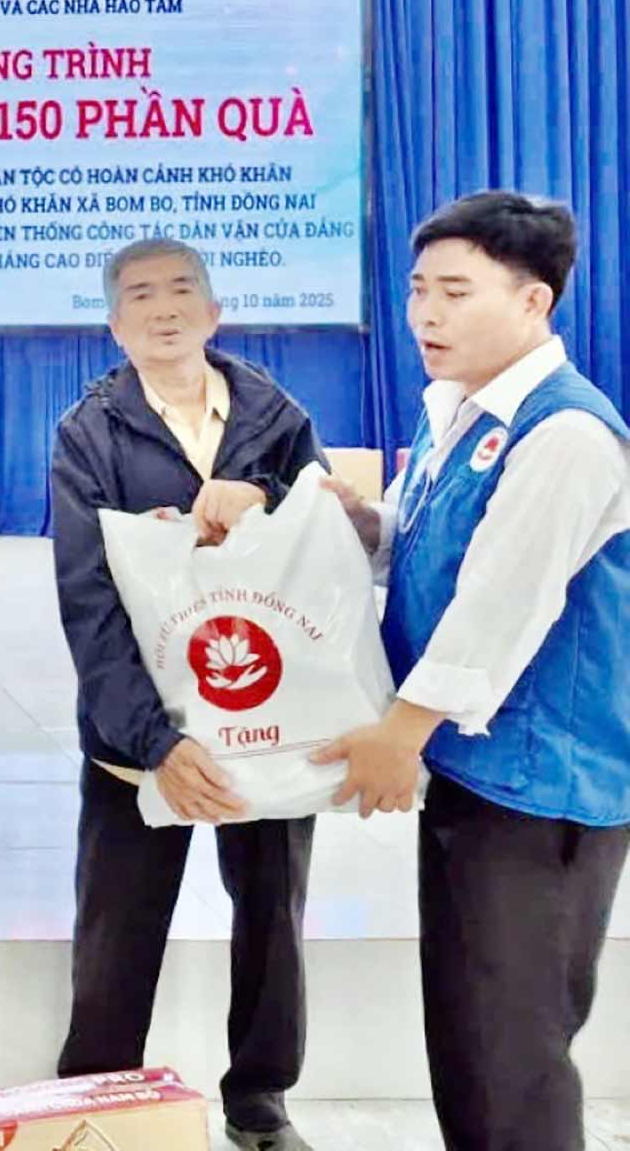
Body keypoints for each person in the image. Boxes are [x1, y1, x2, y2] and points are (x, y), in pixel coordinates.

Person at [319, 191, 629, 1151]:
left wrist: (400, 733)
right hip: (476, 775)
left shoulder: (566, 434)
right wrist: (332, 519)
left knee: (515, 1057)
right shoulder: (456, 407)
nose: (426, 315)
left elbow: (501, 605)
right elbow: (411, 541)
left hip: (543, 792)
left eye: (456, 292)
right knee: (466, 1036)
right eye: (418, 291)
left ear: (534, 303)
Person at [49, 239, 326, 1151]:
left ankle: (260, 1098)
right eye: (140, 297)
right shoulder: (86, 434)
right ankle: (95, 1098)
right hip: (139, 740)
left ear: (214, 312)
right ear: (115, 325)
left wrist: (268, 499)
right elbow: (90, 604)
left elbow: (321, 548)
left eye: (182, 293)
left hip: (265, 715)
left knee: (274, 915)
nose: (163, 309)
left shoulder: (276, 416)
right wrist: (156, 742)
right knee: (117, 924)